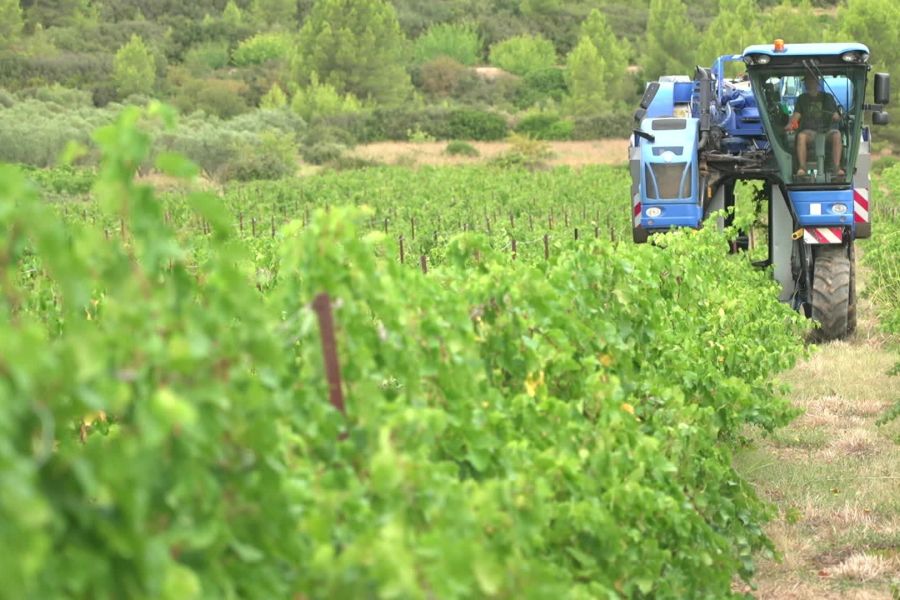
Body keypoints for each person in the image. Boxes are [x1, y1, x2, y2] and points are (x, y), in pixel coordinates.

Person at [784, 73, 844, 177]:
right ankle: (802, 168)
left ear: (817, 82)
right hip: (810, 132)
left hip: (827, 131)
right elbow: (796, 116)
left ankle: (837, 167)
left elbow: (835, 116)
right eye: (807, 81)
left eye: (811, 81)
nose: (809, 83)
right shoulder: (802, 99)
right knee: (801, 136)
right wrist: (790, 125)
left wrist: (838, 116)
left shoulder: (827, 97)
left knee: (837, 134)